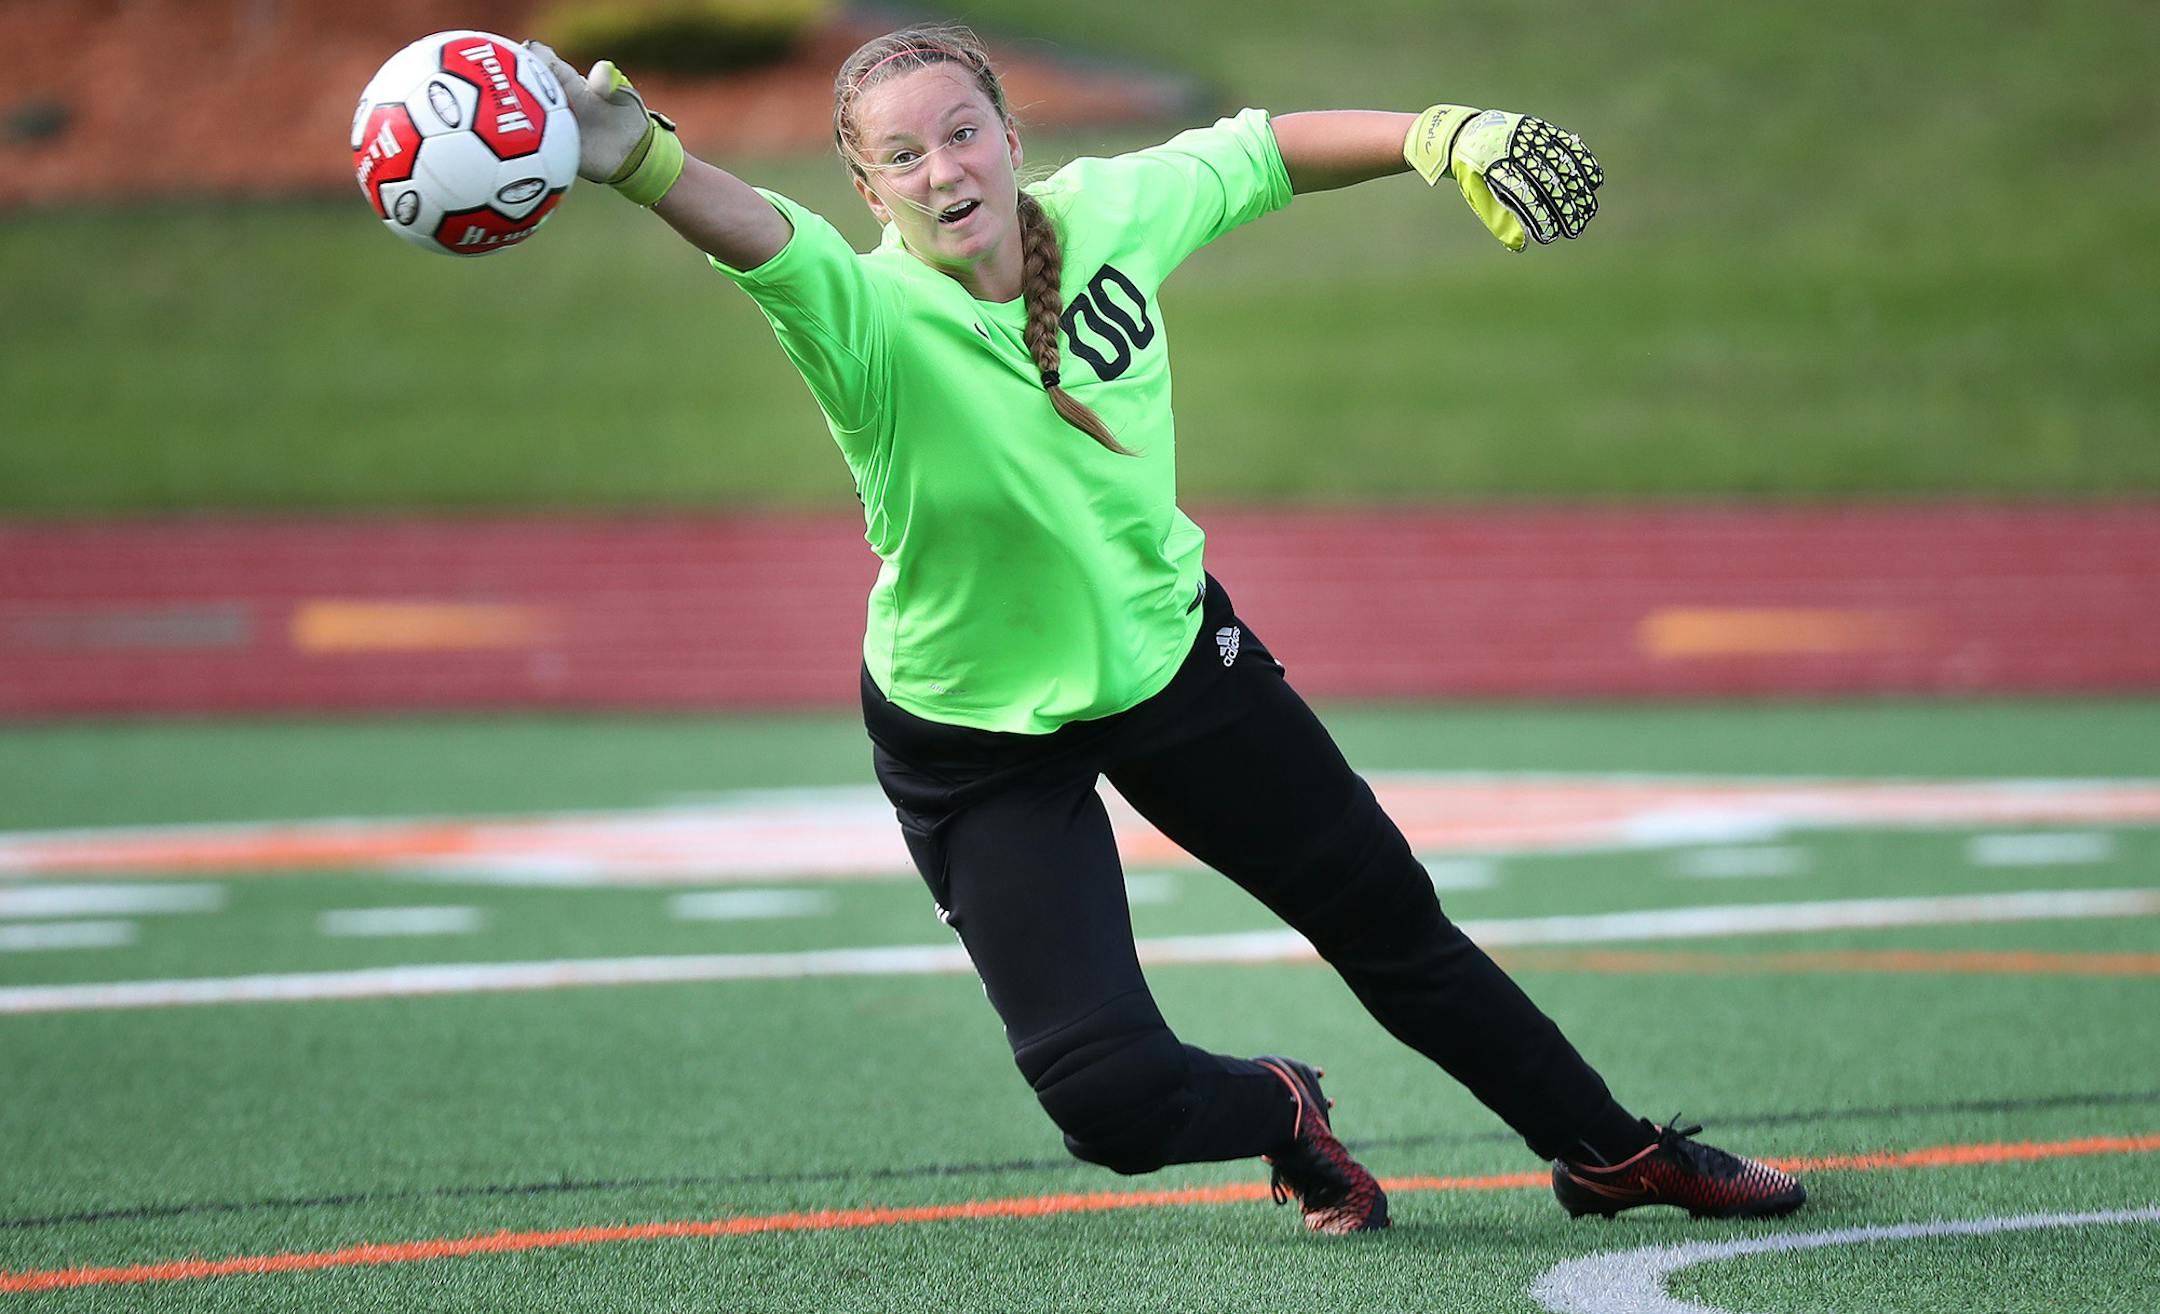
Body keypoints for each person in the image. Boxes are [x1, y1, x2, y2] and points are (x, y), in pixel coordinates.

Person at [526, 26, 1806, 1234]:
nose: (942, 171)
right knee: (1111, 1104)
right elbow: (761, 236)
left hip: (1174, 660)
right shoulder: (859, 319)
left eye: (961, 134)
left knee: (1392, 926)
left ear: (1012, 139)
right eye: (902, 156)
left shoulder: (1109, 214)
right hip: (975, 736)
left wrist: (1440, 133)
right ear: (869, 190)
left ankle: (1613, 1154)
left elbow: (1263, 151)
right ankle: (1285, 1107)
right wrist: (637, 160)